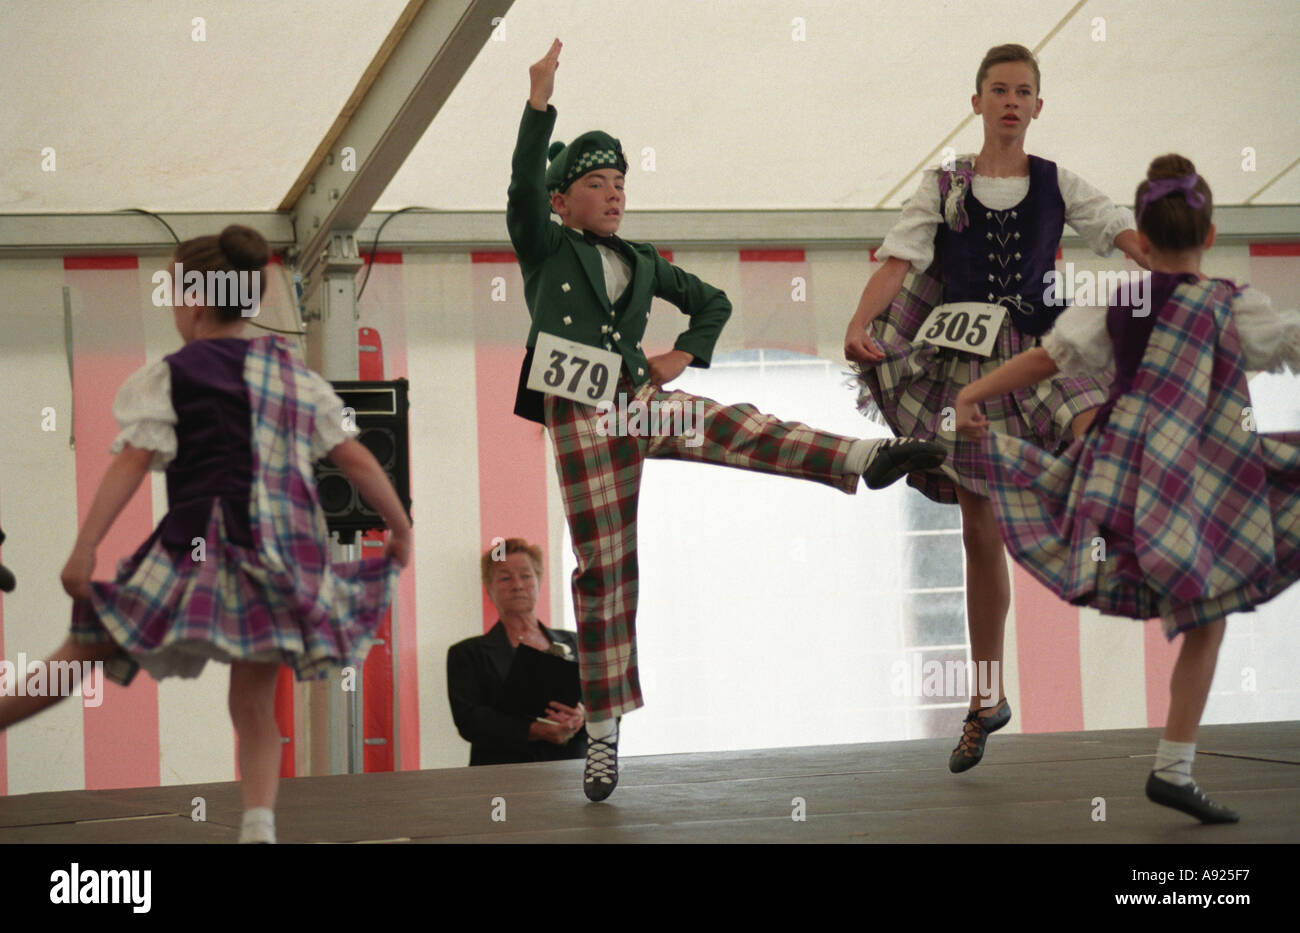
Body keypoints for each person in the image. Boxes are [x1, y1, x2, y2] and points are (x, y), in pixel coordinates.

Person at [511, 40, 947, 801]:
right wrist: (540, 105)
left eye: (620, 182)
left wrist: (683, 353)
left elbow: (711, 301)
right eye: (596, 183)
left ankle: (863, 457)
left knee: (738, 423)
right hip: (580, 410)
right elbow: (520, 184)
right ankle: (605, 732)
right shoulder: (544, 246)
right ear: (561, 199)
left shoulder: (643, 260)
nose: (614, 194)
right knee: (607, 566)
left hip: (638, 400)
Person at [0, 225, 411, 843]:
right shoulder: (293, 375)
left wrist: (84, 548)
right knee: (252, 702)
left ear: (192, 299)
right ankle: (258, 827)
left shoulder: (174, 374)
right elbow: (351, 455)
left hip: (198, 548)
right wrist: (400, 525)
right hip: (280, 559)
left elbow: (132, 462)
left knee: (83, 650)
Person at [954, 154, 1300, 822]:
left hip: (1130, 472)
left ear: (1142, 233)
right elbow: (1289, 341)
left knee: (1172, 584)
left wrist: (973, 388)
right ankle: (1173, 764)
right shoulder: (1231, 303)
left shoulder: (1123, 299)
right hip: (1205, 474)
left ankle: (1174, 764)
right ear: (1210, 232)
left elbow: (1047, 357)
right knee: (1209, 611)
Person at [843, 43, 1149, 773]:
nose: (1011, 102)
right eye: (998, 90)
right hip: (969, 365)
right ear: (976, 102)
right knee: (979, 531)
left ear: (1038, 107)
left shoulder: (1055, 181)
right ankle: (986, 697)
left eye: (1023, 92)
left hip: (1041, 347)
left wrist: (1168, 268)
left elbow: (1115, 226)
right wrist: (859, 324)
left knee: (1089, 422)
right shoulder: (945, 185)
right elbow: (901, 257)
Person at [446, 538, 586, 765]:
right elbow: (470, 721)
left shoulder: (577, 642)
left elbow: (609, 705)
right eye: (505, 577)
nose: (517, 584)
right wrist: (536, 730)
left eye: (526, 575)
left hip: (572, 772)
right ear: (489, 588)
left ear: (539, 581)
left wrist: (584, 716)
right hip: (504, 777)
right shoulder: (467, 654)